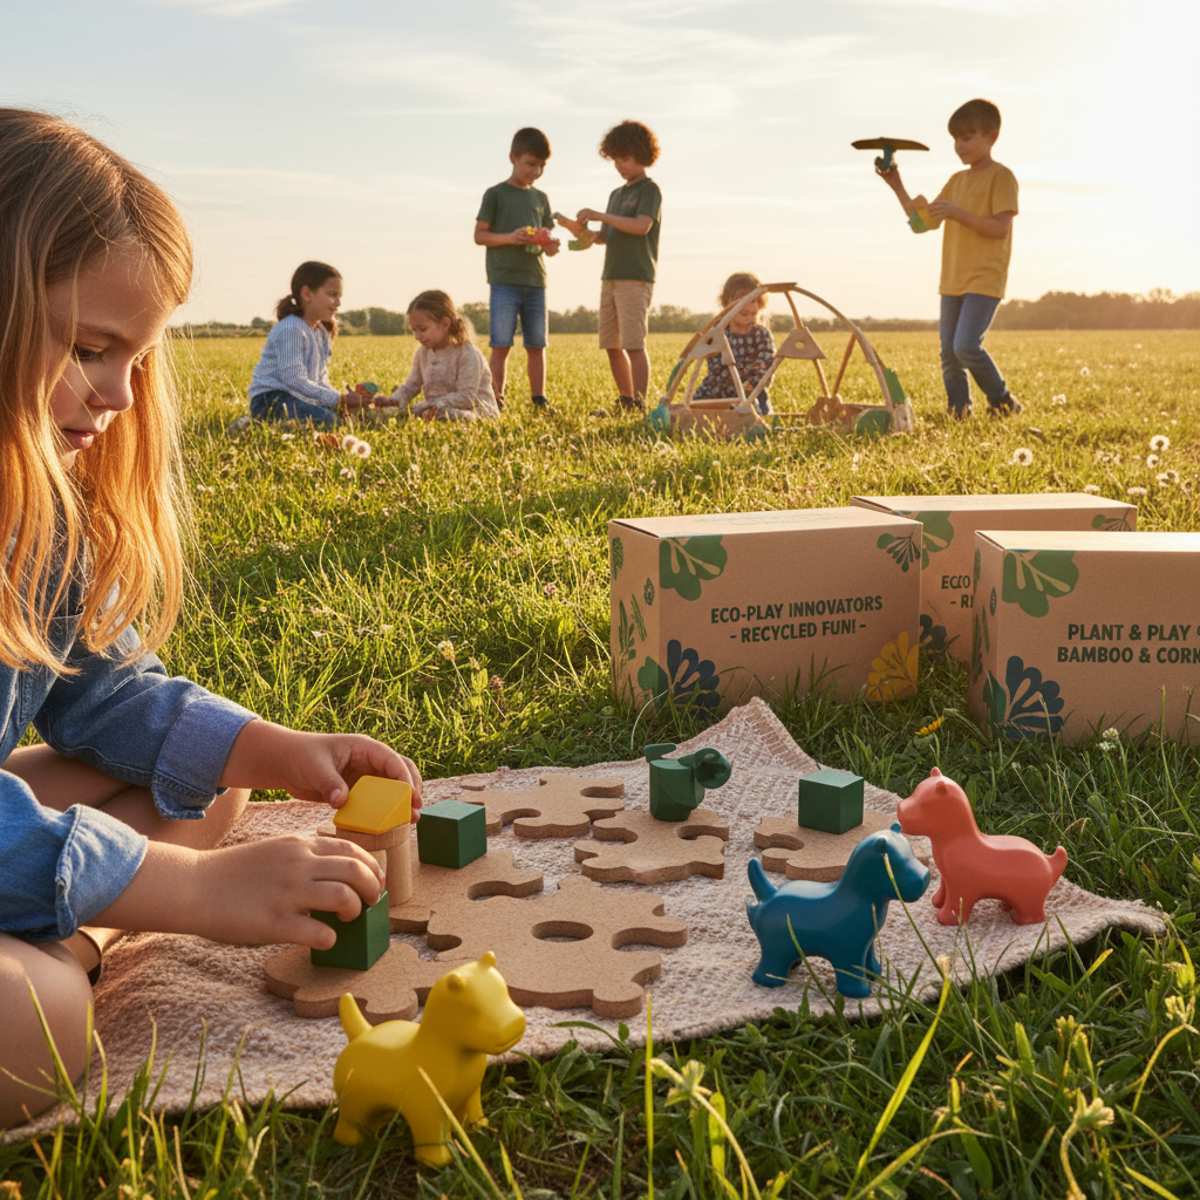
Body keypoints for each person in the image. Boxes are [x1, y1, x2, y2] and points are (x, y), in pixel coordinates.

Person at [0, 109, 422, 1129]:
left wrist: (274, 749)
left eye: (138, 360)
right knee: (33, 1027)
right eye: (90, 348)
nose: (119, 393)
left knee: (207, 782)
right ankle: (73, 942)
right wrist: (190, 892)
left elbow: (102, 692)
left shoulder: (39, 508)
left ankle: (75, 921)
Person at [875, 98, 1021, 420]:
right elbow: (921, 223)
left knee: (965, 346)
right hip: (952, 279)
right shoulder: (957, 181)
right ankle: (959, 412)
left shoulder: (1002, 177)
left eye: (967, 138)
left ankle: (1002, 401)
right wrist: (896, 184)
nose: (959, 146)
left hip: (984, 278)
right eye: (955, 139)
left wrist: (957, 213)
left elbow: (1000, 227)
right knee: (949, 354)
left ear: (992, 137)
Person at [575, 120, 663, 414]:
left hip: (635, 277)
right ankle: (626, 400)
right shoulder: (615, 194)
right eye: (615, 159)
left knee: (633, 344)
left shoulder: (649, 190)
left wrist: (601, 215)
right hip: (610, 275)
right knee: (611, 344)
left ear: (642, 154)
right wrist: (582, 232)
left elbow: (640, 226)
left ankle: (639, 403)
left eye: (624, 158)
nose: (619, 165)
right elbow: (604, 236)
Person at [473, 128, 559, 412]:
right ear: (513, 158)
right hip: (504, 281)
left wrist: (549, 245)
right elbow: (480, 235)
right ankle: (495, 400)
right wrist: (511, 237)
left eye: (542, 166)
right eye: (531, 164)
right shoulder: (496, 194)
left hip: (535, 281)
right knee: (501, 344)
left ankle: (539, 400)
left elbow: (547, 236)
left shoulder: (541, 198)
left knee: (537, 344)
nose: (536, 171)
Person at [247, 262, 371, 428]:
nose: (338, 302)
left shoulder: (321, 332)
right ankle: (253, 425)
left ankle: (281, 426)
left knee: (344, 416)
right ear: (307, 294)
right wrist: (339, 400)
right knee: (327, 420)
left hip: (299, 398)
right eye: (332, 295)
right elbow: (294, 379)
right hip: (270, 400)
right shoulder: (292, 328)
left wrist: (341, 400)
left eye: (339, 296)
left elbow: (320, 380)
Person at [388, 290, 500, 422]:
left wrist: (432, 404)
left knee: (444, 414)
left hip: (477, 411)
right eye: (414, 331)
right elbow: (411, 386)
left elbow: (467, 396)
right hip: (438, 408)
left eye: (423, 329)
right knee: (409, 412)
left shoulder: (467, 353)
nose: (417, 336)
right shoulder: (422, 353)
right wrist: (392, 401)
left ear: (445, 324)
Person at [693, 272, 776, 416]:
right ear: (727, 305)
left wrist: (750, 382)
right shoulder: (718, 333)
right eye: (744, 314)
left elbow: (766, 362)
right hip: (719, 388)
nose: (749, 318)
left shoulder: (760, 334)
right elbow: (715, 366)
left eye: (753, 314)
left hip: (750, 390)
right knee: (697, 405)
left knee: (757, 406)